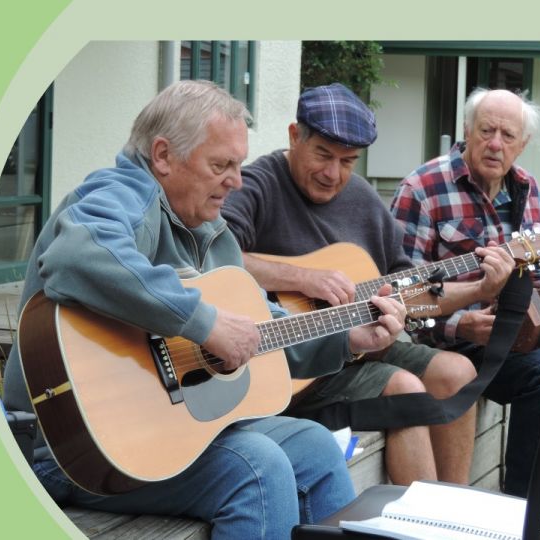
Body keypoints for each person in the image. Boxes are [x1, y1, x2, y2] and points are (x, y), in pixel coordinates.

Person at [1, 80, 410, 539]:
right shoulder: (122, 193)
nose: (236, 181)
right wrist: (204, 323)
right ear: (162, 156)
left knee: (314, 446)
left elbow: (254, 329)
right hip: (66, 448)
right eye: (222, 165)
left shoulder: (211, 230)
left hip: (159, 434)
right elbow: (78, 256)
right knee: (258, 469)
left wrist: (347, 338)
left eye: (238, 165)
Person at [221, 83, 516, 486]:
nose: (333, 173)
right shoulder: (258, 184)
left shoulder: (363, 200)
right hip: (290, 367)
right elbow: (217, 257)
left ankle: (454, 507)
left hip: (361, 348)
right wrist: (303, 277)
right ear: (294, 135)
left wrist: (480, 290)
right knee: (405, 387)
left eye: (348, 161)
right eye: (323, 155)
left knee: (458, 371)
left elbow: (412, 292)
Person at [390, 87, 540, 496]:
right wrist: (460, 325)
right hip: (450, 347)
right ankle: (528, 503)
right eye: (486, 131)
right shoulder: (422, 189)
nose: (495, 143)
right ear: (467, 130)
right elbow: (400, 294)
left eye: (507, 135)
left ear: (524, 144)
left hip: (513, 340)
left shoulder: (527, 189)